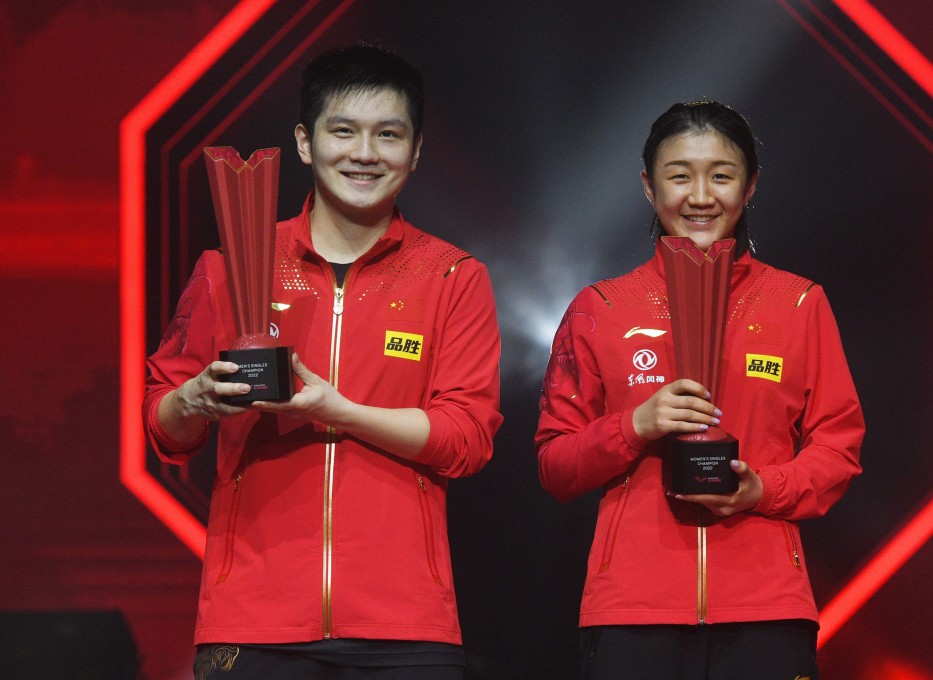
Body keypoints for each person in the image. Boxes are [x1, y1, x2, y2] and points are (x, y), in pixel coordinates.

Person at [144, 43, 502, 679]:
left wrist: (342, 411)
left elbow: (467, 439)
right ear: (306, 143)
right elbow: (164, 429)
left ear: (415, 151)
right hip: (252, 621)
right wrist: (191, 400)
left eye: (388, 135)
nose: (365, 154)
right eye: (344, 131)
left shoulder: (452, 275)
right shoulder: (230, 265)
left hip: (404, 625)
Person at [535, 101, 864, 679]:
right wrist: (635, 425)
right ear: (647, 185)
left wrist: (763, 489)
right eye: (680, 174)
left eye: (722, 174)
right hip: (632, 613)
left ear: (750, 184)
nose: (701, 195)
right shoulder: (601, 308)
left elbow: (838, 451)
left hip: (767, 611)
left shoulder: (799, 304)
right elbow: (556, 464)